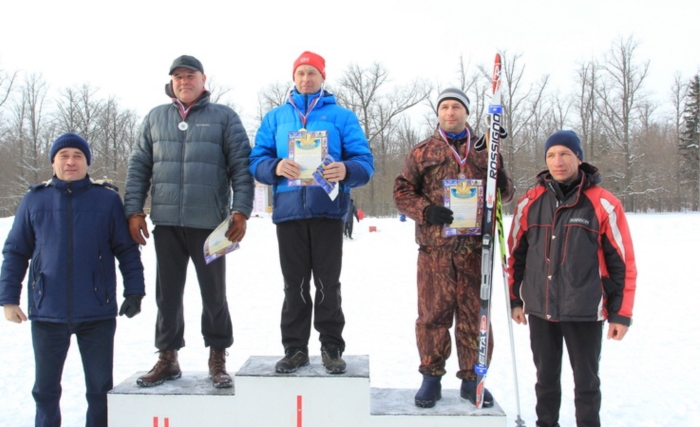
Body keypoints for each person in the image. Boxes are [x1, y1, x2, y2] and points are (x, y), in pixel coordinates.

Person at [0, 133, 145, 427]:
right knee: (45, 390)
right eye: (63, 155)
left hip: (97, 312)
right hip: (47, 312)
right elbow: (15, 252)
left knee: (100, 389)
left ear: (87, 163)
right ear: (53, 162)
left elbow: (126, 251)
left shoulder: (107, 200)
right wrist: (8, 299)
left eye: (78, 156)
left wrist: (135, 292)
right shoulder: (33, 200)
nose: (70, 161)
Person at [124, 55, 254, 389]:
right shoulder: (155, 118)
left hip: (211, 225)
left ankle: (218, 358)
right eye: (178, 76)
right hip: (166, 222)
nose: (184, 81)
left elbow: (241, 167)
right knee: (167, 296)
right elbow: (139, 167)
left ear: (203, 79)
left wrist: (241, 211)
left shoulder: (224, 117)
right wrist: (134, 210)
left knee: (214, 295)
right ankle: (167, 357)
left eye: (190, 75)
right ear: (172, 82)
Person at [250, 51, 374, 375]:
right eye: (301, 73)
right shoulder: (276, 118)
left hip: (327, 211)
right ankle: (294, 348)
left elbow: (365, 163)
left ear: (323, 78)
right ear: (294, 78)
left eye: (313, 74)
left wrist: (345, 169)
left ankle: (331, 346)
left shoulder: (342, 117)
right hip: (289, 212)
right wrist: (275, 165)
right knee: (294, 285)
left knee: (328, 283)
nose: (306, 79)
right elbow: (256, 160)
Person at [393, 88, 514, 408]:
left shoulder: (485, 150)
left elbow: (507, 192)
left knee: (475, 319)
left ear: (467, 113)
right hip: (436, 253)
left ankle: (473, 380)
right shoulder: (423, 152)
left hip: (476, 252)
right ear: (438, 113)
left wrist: (496, 162)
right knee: (433, 315)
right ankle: (431, 378)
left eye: (457, 107)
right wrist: (425, 211)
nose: (450, 112)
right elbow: (401, 192)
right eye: (445, 107)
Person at [507, 130, 637, 427]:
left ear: (579, 157)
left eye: (565, 153)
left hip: (585, 310)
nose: (558, 161)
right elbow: (515, 256)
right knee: (546, 380)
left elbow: (623, 264)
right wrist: (515, 298)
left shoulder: (604, 204)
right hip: (540, 308)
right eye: (551, 155)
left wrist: (621, 314)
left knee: (587, 383)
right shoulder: (530, 202)